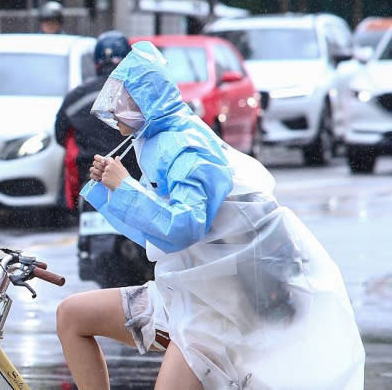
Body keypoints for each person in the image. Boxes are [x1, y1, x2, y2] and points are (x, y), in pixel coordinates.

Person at [56, 41, 365, 389]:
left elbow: (185, 225)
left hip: (217, 314)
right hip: (184, 294)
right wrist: (115, 188)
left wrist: (125, 186)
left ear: (145, 100)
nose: (114, 110)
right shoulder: (159, 136)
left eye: (123, 99)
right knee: (72, 315)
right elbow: (161, 231)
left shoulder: (186, 146)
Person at [55, 31, 140, 210]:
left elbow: (60, 135)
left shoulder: (76, 97)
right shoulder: (138, 94)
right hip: (133, 180)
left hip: (89, 180)